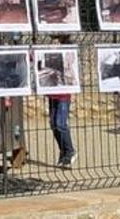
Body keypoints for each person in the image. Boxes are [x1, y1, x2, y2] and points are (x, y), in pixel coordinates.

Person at [49, 36, 77, 169]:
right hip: (52, 91)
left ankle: (70, 150)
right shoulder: (50, 52)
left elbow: (68, 68)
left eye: (56, 41)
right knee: (53, 124)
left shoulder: (68, 52)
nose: (53, 44)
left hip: (64, 92)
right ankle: (64, 151)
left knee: (60, 123)